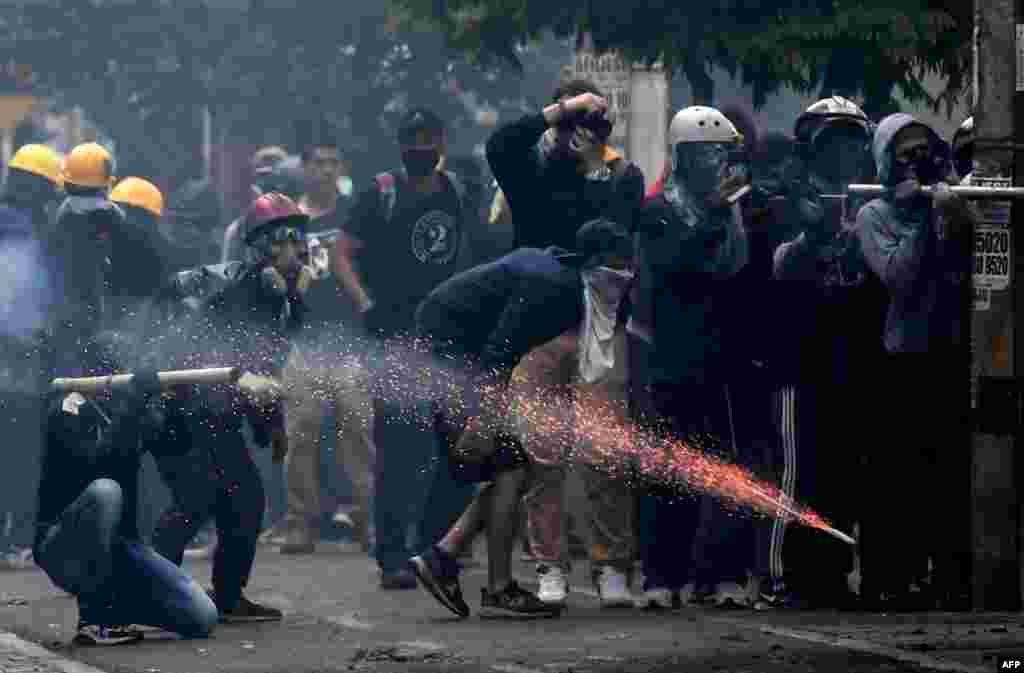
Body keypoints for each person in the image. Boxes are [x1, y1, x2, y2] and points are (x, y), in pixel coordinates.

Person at [409, 219, 638, 618]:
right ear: (594, 265)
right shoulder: (558, 289)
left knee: (512, 464)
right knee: (511, 468)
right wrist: (482, 417)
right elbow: (501, 349)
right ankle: (489, 583)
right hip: (447, 349)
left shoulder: (567, 280)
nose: (625, 276)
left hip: (460, 349)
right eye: (617, 267)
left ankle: (446, 557)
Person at [148, 192, 313, 622]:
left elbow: (266, 369)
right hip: (177, 408)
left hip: (216, 414)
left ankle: (227, 597)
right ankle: (148, 594)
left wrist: (272, 426)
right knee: (195, 496)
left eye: (298, 241)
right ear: (260, 248)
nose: (293, 252)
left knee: (245, 500)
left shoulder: (284, 303)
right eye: (281, 241)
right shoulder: (229, 289)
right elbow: (192, 352)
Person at [332, 107, 476, 589]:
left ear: (441, 142)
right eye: (413, 138)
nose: (422, 146)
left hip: (447, 338)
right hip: (393, 339)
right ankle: (392, 556)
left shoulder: (456, 191)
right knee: (397, 450)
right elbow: (342, 252)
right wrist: (365, 303)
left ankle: (434, 549)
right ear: (400, 145)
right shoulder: (380, 193)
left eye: (430, 137)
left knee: (452, 445)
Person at [628, 106, 750, 609]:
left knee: (724, 468)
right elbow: (673, 267)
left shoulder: (731, 208)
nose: (714, 162)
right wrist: (715, 216)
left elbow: (738, 272)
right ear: (681, 157)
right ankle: (662, 577)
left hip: (720, 356)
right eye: (703, 153)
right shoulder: (658, 210)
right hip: (670, 357)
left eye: (720, 152)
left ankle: (721, 576)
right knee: (667, 471)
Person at [764, 97, 881, 610]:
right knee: (798, 474)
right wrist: (815, 232)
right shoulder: (789, 195)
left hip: (855, 359)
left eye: (851, 142)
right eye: (832, 142)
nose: (842, 153)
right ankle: (786, 575)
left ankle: (832, 576)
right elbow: (778, 265)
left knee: (844, 472)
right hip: (799, 362)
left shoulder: (869, 198)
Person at [856, 113, 973, 611]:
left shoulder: (947, 202)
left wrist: (952, 208)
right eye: (905, 153)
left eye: (923, 150)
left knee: (946, 477)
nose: (916, 161)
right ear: (886, 160)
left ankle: (949, 578)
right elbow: (899, 275)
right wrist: (924, 217)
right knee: (894, 478)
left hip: (947, 355)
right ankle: (888, 577)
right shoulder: (874, 215)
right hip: (898, 360)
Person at [506, 220, 638, 609]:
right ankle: (550, 567)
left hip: (601, 345)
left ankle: (612, 566)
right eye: (614, 264)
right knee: (543, 458)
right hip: (542, 346)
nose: (623, 272)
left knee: (605, 452)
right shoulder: (550, 283)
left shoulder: (618, 291)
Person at [278, 129, 375, 554]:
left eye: (334, 162)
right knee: (301, 436)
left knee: (359, 432)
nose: (327, 169)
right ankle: (301, 521)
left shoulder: (355, 215)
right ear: (304, 167)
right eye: (319, 161)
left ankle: (369, 519)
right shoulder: (287, 220)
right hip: (304, 341)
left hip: (351, 341)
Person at [486, 79, 644, 251]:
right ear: (551, 125)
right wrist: (566, 108)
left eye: (583, 122)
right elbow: (498, 145)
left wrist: (593, 164)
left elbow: (613, 244)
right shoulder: (532, 170)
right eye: (565, 123)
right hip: (534, 275)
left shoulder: (623, 178)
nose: (574, 131)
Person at [0, 144, 63, 554]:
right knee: (20, 455)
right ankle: (20, 537)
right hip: (17, 366)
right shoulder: (20, 229)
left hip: (18, 361)